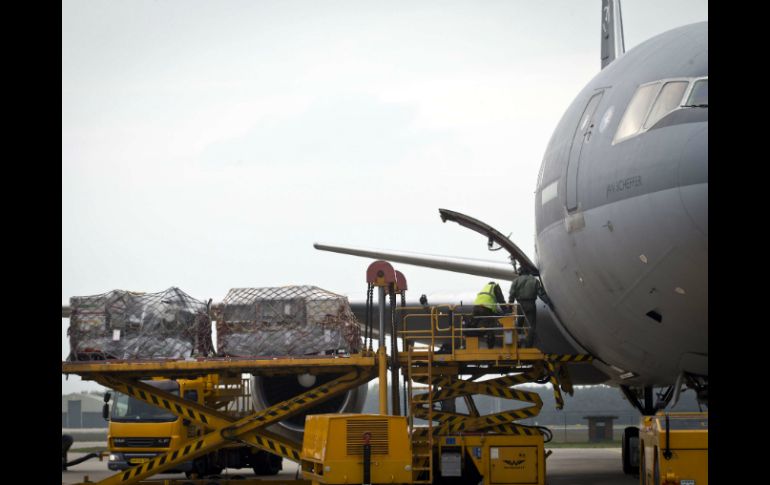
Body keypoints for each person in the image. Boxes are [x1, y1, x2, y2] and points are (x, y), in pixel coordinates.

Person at [509, 268, 541, 347]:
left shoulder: (516, 281)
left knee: (519, 324)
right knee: (531, 326)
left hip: (520, 305)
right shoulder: (535, 280)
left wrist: (510, 305)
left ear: (520, 273)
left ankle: (518, 342)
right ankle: (528, 345)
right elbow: (541, 293)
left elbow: (512, 294)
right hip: (531, 304)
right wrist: (548, 302)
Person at [471, 281, 506, 348]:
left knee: (472, 327)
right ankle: (490, 347)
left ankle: (472, 345)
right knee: (490, 327)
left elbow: (490, 303)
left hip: (476, 308)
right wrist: (506, 311)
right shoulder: (495, 286)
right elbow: (501, 300)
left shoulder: (485, 287)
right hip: (485, 308)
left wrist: (497, 313)